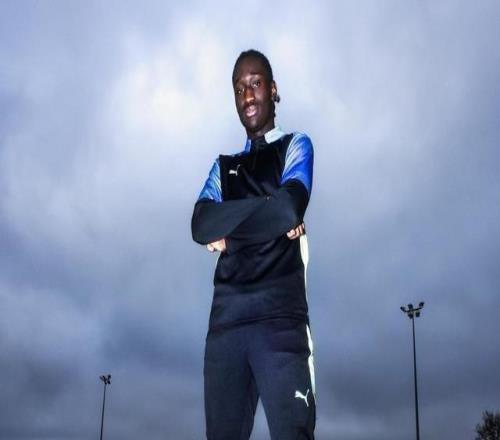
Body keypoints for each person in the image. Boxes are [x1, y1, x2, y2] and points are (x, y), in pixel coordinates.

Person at [191, 49, 315, 439]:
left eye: (255, 83)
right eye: (239, 88)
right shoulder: (223, 167)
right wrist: (268, 212)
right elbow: (200, 223)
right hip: (226, 325)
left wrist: (231, 236)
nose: (247, 95)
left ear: (273, 89)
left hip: (281, 321)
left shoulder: (296, 145)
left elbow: (288, 208)